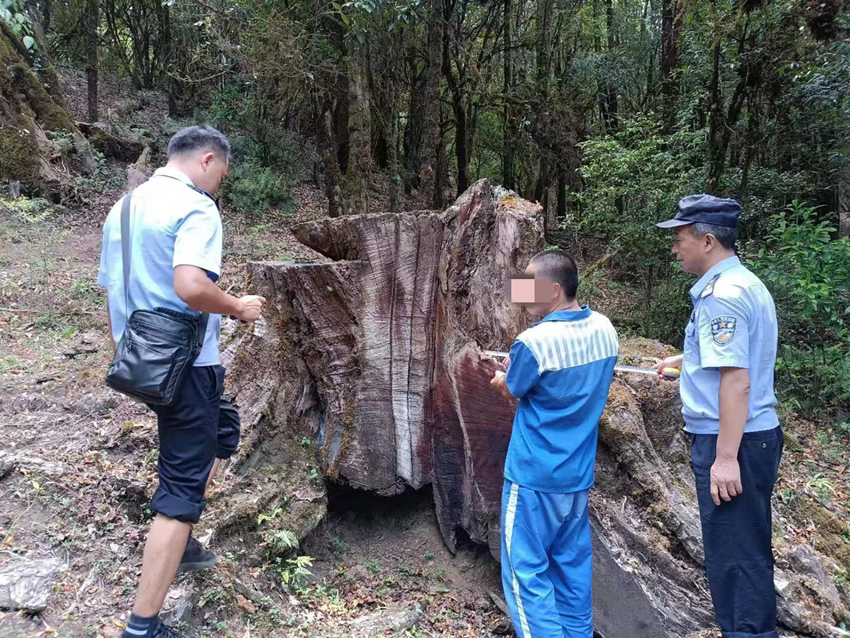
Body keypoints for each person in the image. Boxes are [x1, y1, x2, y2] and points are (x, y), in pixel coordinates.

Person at [98, 125, 266, 638]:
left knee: (223, 431)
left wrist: (129, 355)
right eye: (222, 176)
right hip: (187, 367)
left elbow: (111, 286)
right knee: (179, 491)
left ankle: (183, 539)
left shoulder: (123, 207)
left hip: (141, 361)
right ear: (208, 160)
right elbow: (191, 285)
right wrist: (238, 306)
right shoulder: (196, 207)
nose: (219, 187)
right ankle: (143, 625)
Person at [655, 194, 782, 638]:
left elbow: (737, 382)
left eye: (680, 238)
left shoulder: (720, 297)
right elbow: (735, 361)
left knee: (735, 560)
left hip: (734, 441)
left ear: (707, 240)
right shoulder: (744, 283)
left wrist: (724, 458)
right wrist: (687, 363)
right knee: (743, 549)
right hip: (751, 436)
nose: (675, 247)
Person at [490, 250, 619, 638]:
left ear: (554, 290)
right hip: (577, 476)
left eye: (529, 285)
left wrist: (501, 378)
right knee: (570, 567)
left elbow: (512, 388)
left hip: (533, 475)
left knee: (525, 572)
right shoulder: (605, 330)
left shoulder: (533, 342)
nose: (522, 293)